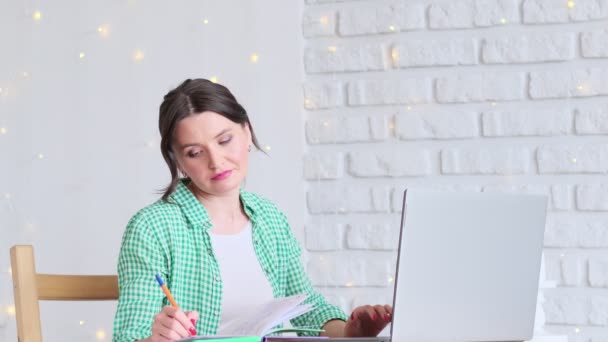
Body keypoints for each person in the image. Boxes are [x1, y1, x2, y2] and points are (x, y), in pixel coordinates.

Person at [112, 78, 392, 342]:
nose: (216, 161)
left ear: (246, 131)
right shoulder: (152, 228)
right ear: (178, 161)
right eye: (195, 153)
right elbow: (128, 335)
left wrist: (350, 333)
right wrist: (155, 338)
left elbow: (307, 306)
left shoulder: (269, 218)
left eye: (224, 141)